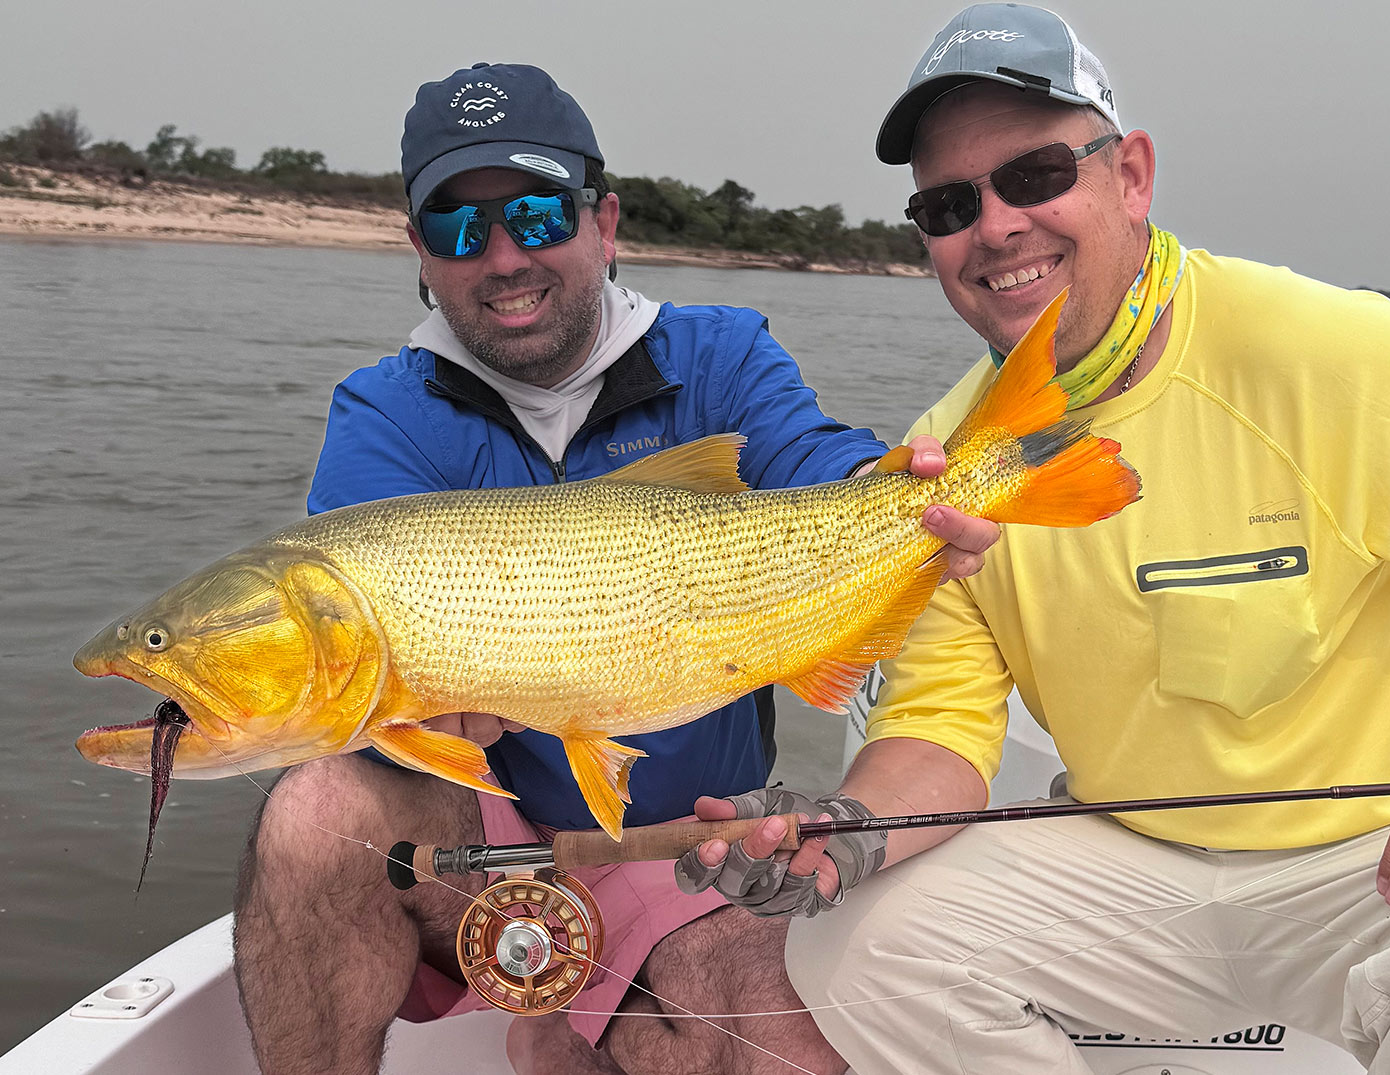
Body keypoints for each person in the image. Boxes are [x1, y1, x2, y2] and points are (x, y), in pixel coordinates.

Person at [679, 6, 1390, 1073]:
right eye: (948, 204)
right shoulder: (942, 458)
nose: (994, 227)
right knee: (854, 947)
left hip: (1380, 865)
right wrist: (842, 827)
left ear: (1131, 175)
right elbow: (942, 729)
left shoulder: (1311, 348)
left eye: (1034, 175)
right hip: (1128, 861)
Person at [231, 62, 998, 1075]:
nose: (504, 256)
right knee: (316, 808)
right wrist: (405, 714)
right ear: (421, 251)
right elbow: (358, 660)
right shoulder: (383, 413)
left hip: (685, 839)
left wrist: (899, 494)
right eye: (461, 228)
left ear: (605, 221)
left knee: (789, 1044)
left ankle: (572, 1024)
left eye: (539, 215)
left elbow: (815, 457)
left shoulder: (723, 355)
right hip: (471, 842)